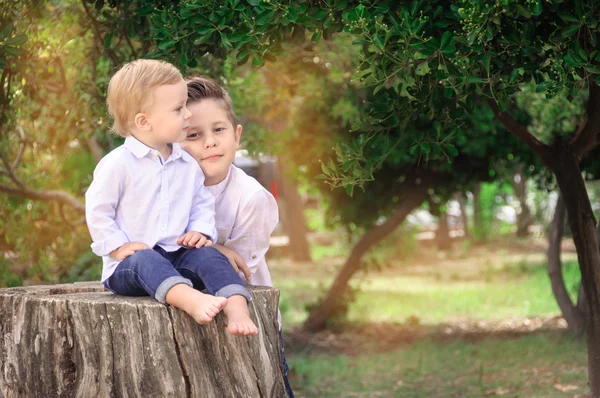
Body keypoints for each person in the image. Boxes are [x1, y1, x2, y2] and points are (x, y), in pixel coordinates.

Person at [85, 59, 257, 336]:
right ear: (144, 121)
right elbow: (97, 211)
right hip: (129, 267)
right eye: (179, 109)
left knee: (209, 257)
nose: (188, 115)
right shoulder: (118, 164)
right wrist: (117, 246)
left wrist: (200, 230)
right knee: (147, 259)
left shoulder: (186, 164)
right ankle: (189, 299)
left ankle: (237, 307)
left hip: (178, 256)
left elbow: (201, 202)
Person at [181, 76, 294, 397]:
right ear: (174, 143)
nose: (210, 142)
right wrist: (215, 246)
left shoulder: (250, 198)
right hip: (187, 324)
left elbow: (236, 269)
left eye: (219, 130)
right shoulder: (168, 192)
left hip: (249, 321)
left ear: (237, 135)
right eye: (193, 135)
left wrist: (209, 250)